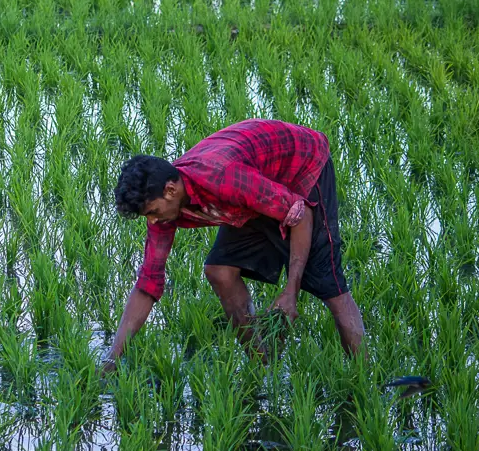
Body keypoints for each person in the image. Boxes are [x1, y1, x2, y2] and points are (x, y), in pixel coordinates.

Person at [102, 118, 365, 370]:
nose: (153, 220)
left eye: (153, 211)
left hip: (301, 165)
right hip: (256, 187)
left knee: (328, 283)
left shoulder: (222, 178)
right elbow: (148, 283)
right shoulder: (166, 209)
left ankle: (365, 380)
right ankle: (261, 363)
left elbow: (300, 213)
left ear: (171, 190)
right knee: (220, 271)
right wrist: (113, 358)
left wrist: (290, 292)